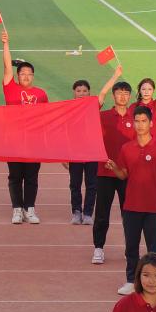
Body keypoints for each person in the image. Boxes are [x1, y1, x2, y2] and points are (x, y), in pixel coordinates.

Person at [106, 106, 156, 296]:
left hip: (153, 208)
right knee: (131, 247)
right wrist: (114, 168)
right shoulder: (127, 149)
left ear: (151, 123)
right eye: (137, 121)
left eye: (144, 121)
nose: (140, 125)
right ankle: (131, 280)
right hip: (131, 207)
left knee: (154, 249)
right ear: (133, 123)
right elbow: (123, 175)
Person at [1, 31, 49, 224]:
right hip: (13, 140)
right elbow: (7, 67)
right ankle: (17, 210)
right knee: (15, 176)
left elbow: (47, 118)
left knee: (31, 177)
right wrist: (6, 44)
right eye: (22, 74)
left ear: (33, 76)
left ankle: (29, 209)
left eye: (29, 74)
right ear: (17, 76)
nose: (26, 76)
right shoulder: (11, 88)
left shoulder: (41, 94)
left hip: (33, 142)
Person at [92, 78, 135, 265]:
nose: (123, 96)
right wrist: (114, 77)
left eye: (126, 93)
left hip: (127, 174)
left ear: (130, 96)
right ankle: (98, 248)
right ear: (113, 95)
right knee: (102, 213)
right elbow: (94, 105)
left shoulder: (136, 118)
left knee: (130, 214)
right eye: (119, 93)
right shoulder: (104, 116)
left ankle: (130, 249)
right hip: (105, 172)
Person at [65, 79, 99, 226]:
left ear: (89, 93)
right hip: (75, 153)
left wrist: (116, 74)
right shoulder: (68, 109)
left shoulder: (93, 106)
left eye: (84, 91)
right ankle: (76, 212)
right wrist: (64, 155)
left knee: (92, 184)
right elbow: (64, 132)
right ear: (74, 93)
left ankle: (88, 214)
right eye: (78, 91)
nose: (81, 93)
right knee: (75, 184)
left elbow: (103, 94)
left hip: (92, 152)